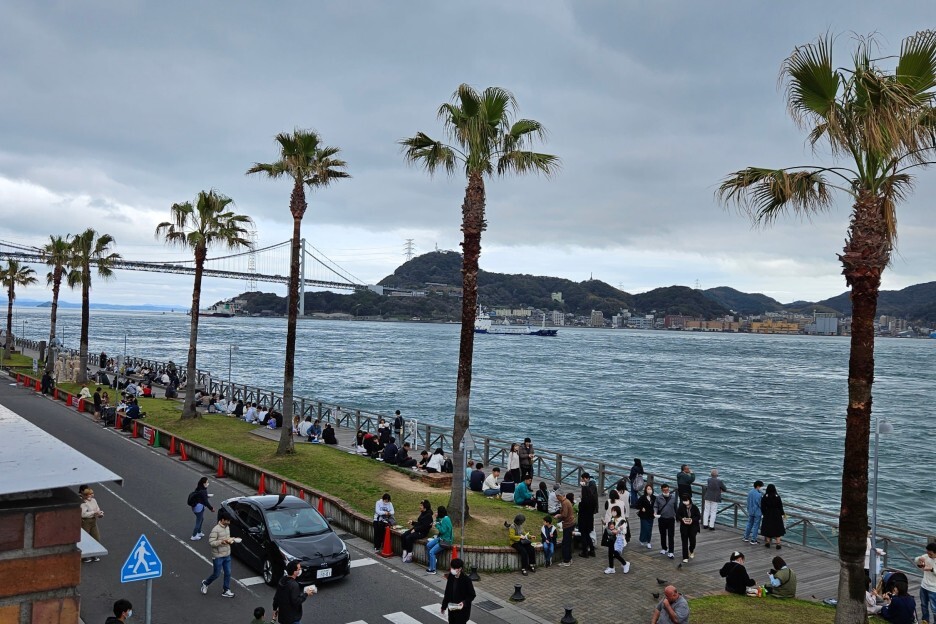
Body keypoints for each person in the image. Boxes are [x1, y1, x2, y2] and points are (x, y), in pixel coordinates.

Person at [200, 511, 235, 598]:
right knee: (216, 574)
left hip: (227, 554)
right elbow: (211, 542)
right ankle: (205, 583)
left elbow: (226, 538)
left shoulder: (227, 527)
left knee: (228, 573)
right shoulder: (215, 529)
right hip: (218, 556)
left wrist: (230, 540)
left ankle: (226, 590)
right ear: (222, 520)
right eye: (227, 520)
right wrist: (221, 542)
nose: (229, 522)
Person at [272, 559, 316, 624]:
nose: (300, 570)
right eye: (299, 569)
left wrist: (274, 609)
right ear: (294, 572)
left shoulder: (282, 580)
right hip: (292, 618)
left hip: (283, 617)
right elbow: (296, 601)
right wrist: (306, 594)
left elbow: (276, 598)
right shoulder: (294, 585)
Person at [441, 558, 476, 624]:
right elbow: (447, 592)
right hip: (452, 608)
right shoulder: (451, 576)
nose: (452, 570)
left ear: (460, 569)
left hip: (462, 611)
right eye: (452, 567)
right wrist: (444, 606)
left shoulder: (466, 580)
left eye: (454, 568)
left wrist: (464, 602)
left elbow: (472, 595)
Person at [79, 485, 104, 562]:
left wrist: (99, 514)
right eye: (88, 494)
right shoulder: (83, 503)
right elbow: (83, 514)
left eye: (91, 494)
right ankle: (84, 556)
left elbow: (97, 509)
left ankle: (94, 554)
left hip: (93, 521)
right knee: (85, 539)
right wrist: (93, 512)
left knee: (96, 538)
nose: (90, 496)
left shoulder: (94, 500)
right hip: (85, 522)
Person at [425, 506, 453, 574]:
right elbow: (439, 522)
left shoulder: (446, 520)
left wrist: (436, 525)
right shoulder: (444, 518)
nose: (436, 512)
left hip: (445, 540)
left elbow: (443, 531)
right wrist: (436, 518)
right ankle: (433, 561)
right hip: (440, 538)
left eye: (438, 511)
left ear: (440, 512)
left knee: (431, 552)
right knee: (428, 545)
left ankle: (433, 569)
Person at [603, 508, 630, 574]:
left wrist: (618, 531)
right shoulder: (612, 519)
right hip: (611, 539)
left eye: (614, 511)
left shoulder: (622, 521)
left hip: (619, 540)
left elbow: (625, 532)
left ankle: (625, 563)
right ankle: (611, 567)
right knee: (610, 553)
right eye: (612, 511)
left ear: (617, 511)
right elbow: (609, 527)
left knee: (615, 553)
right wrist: (605, 524)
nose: (612, 512)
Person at [654, 483, 678, 559]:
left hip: (671, 519)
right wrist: (655, 512)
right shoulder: (658, 498)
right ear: (661, 490)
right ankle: (664, 548)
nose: (666, 491)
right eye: (664, 490)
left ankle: (671, 551)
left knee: (671, 535)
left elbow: (676, 508)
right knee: (662, 534)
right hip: (662, 518)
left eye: (667, 490)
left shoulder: (673, 497)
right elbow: (655, 506)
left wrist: (677, 517)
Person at [578, 472, 599, 557]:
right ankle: (592, 550)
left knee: (583, 534)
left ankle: (585, 552)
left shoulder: (584, 502)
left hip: (584, 519)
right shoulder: (592, 500)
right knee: (587, 534)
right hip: (590, 518)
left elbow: (581, 508)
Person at [676, 494, 701, 563]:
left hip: (693, 526)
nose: (685, 502)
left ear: (689, 500)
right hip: (684, 526)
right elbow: (677, 515)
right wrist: (682, 519)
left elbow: (698, 516)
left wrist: (692, 520)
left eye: (686, 500)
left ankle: (691, 550)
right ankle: (685, 557)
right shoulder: (681, 507)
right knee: (684, 541)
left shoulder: (694, 507)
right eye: (684, 500)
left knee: (692, 540)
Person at [760, 484, 786, 549]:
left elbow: (762, 507)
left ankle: (768, 543)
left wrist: (764, 513)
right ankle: (778, 544)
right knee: (778, 528)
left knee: (768, 527)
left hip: (768, 513)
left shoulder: (765, 496)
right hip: (777, 514)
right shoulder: (777, 496)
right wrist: (783, 514)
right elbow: (780, 506)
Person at [916, 542, 936, 624]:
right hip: (924, 585)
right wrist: (919, 560)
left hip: (934, 588)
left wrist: (932, 569)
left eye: (931, 554)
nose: (929, 555)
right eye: (927, 553)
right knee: (923, 605)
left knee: (934, 608)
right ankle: (925, 620)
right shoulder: (926, 556)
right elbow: (917, 561)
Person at [554, 492, 576, 567]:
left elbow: (564, 514)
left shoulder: (564, 503)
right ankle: (569, 558)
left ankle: (566, 560)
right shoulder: (567, 501)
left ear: (560, 496)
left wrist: (558, 515)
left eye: (557, 496)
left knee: (565, 543)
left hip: (568, 525)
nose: (556, 498)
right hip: (571, 523)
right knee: (568, 542)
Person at [742, 480, 764, 545]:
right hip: (757, 512)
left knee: (749, 524)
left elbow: (748, 501)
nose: (761, 488)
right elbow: (760, 504)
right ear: (758, 486)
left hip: (750, 510)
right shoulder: (759, 494)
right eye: (761, 486)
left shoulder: (750, 492)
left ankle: (746, 537)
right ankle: (753, 540)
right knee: (756, 526)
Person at [637, 483, 656, 549]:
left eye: (650, 489)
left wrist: (656, 512)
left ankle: (648, 542)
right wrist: (641, 508)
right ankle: (642, 539)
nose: (649, 490)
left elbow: (656, 506)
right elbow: (637, 504)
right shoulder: (642, 497)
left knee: (649, 529)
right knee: (645, 528)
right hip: (644, 515)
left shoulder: (654, 497)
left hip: (651, 515)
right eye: (648, 489)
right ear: (645, 490)